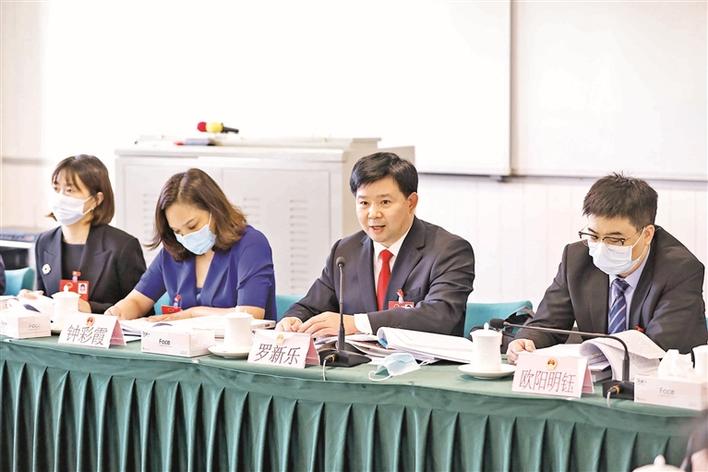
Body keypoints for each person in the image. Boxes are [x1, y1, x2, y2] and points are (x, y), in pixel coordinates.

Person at [507, 174, 707, 363]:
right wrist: (527, 340)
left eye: (615, 239)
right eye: (594, 236)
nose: (602, 248)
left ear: (647, 234)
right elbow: (547, 323)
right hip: (596, 376)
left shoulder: (680, 270)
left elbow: (660, 349)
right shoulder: (577, 259)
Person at [276, 152, 475, 337]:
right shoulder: (345, 251)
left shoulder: (449, 250)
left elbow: (440, 315)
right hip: (356, 362)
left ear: (411, 203)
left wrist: (358, 324)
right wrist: (293, 320)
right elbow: (311, 307)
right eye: (364, 203)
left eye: (385, 202)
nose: (373, 214)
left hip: (421, 362)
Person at [105, 168, 276, 321]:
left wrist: (192, 314)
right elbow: (137, 301)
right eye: (177, 231)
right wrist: (117, 311)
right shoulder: (173, 251)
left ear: (214, 210)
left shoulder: (251, 244)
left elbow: (250, 314)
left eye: (193, 226)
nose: (186, 237)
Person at [27, 155, 146, 313]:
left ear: (96, 199)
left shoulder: (122, 246)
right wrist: (32, 301)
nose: (60, 197)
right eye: (56, 189)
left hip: (104, 328)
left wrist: (91, 308)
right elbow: (45, 299)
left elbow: (141, 310)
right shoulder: (44, 241)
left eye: (70, 190)